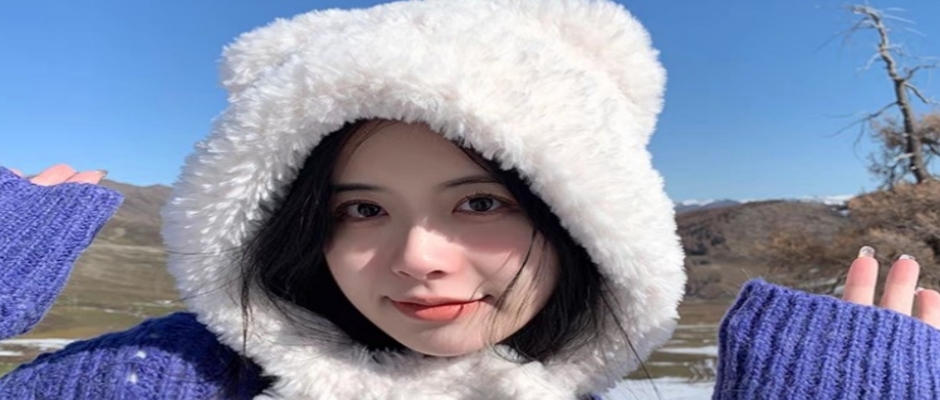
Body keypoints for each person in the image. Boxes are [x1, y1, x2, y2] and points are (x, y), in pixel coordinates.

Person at [2, 0, 940, 398]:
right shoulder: (172, 378)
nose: (417, 258)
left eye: (481, 203)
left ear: (586, 224)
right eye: (360, 209)